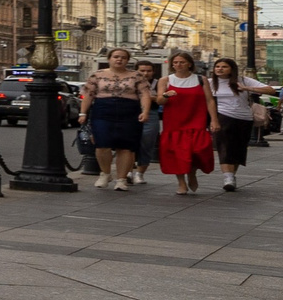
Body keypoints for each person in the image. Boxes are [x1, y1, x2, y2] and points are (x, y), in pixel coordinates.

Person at [80, 47, 148, 192]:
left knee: (126, 147)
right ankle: (105, 173)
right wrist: (82, 113)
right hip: (103, 110)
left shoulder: (137, 76)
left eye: (123, 57)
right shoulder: (97, 75)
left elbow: (144, 94)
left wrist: (145, 111)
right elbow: (88, 95)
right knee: (101, 144)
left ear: (127, 60)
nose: (119, 59)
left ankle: (121, 179)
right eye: (116, 56)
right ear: (109, 59)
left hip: (129, 111)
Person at [205, 55, 275, 191]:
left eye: (224, 67)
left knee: (238, 149)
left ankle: (231, 176)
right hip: (221, 116)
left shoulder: (243, 80)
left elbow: (270, 90)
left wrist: (248, 88)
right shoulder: (209, 82)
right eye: (217, 66)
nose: (220, 69)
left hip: (244, 118)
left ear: (232, 69)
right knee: (224, 146)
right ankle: (228, 177)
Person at [157, 50, 213, 194]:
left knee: (197, 150)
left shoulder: (201, 79)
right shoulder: (166, 80)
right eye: (175, 62)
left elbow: (209, 100)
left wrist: (214, 119)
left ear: (189, 64)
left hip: (196, 121)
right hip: (175, 123)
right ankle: (181, 183)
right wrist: (165, 95)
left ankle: (192, 173)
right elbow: (159, 101)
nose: (178, 65)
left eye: (182, 62)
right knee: (178, 154)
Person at [131, 59, 164, 183]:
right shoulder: (130, 82)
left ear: (153, 72)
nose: (145, 73)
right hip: (131, 114)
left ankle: (140, 173)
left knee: (147, 143)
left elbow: (161, 98)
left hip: (151, 115)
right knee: (129, 144)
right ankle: (128, 172)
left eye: (149, 71)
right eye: (142, 71)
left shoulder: (157, 83)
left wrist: (148, 97)